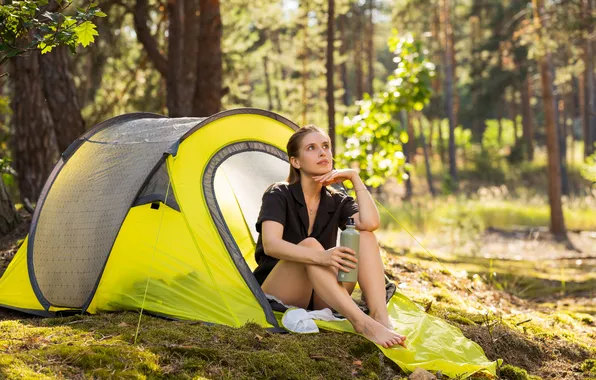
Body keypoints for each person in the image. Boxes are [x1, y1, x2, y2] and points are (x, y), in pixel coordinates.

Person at [252, 125, 407, 349]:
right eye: (312, 148)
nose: (322, 152)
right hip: (283, 289)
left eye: (325, 146)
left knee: (365, 237)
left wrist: (354, 178)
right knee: (311, 245)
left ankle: (379, 316)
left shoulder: (336, 199)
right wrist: (322, 257)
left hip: (325, 294)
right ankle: (362, 323)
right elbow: (271, 245)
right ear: (296, 162)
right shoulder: (279, 193)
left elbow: (371, 223)